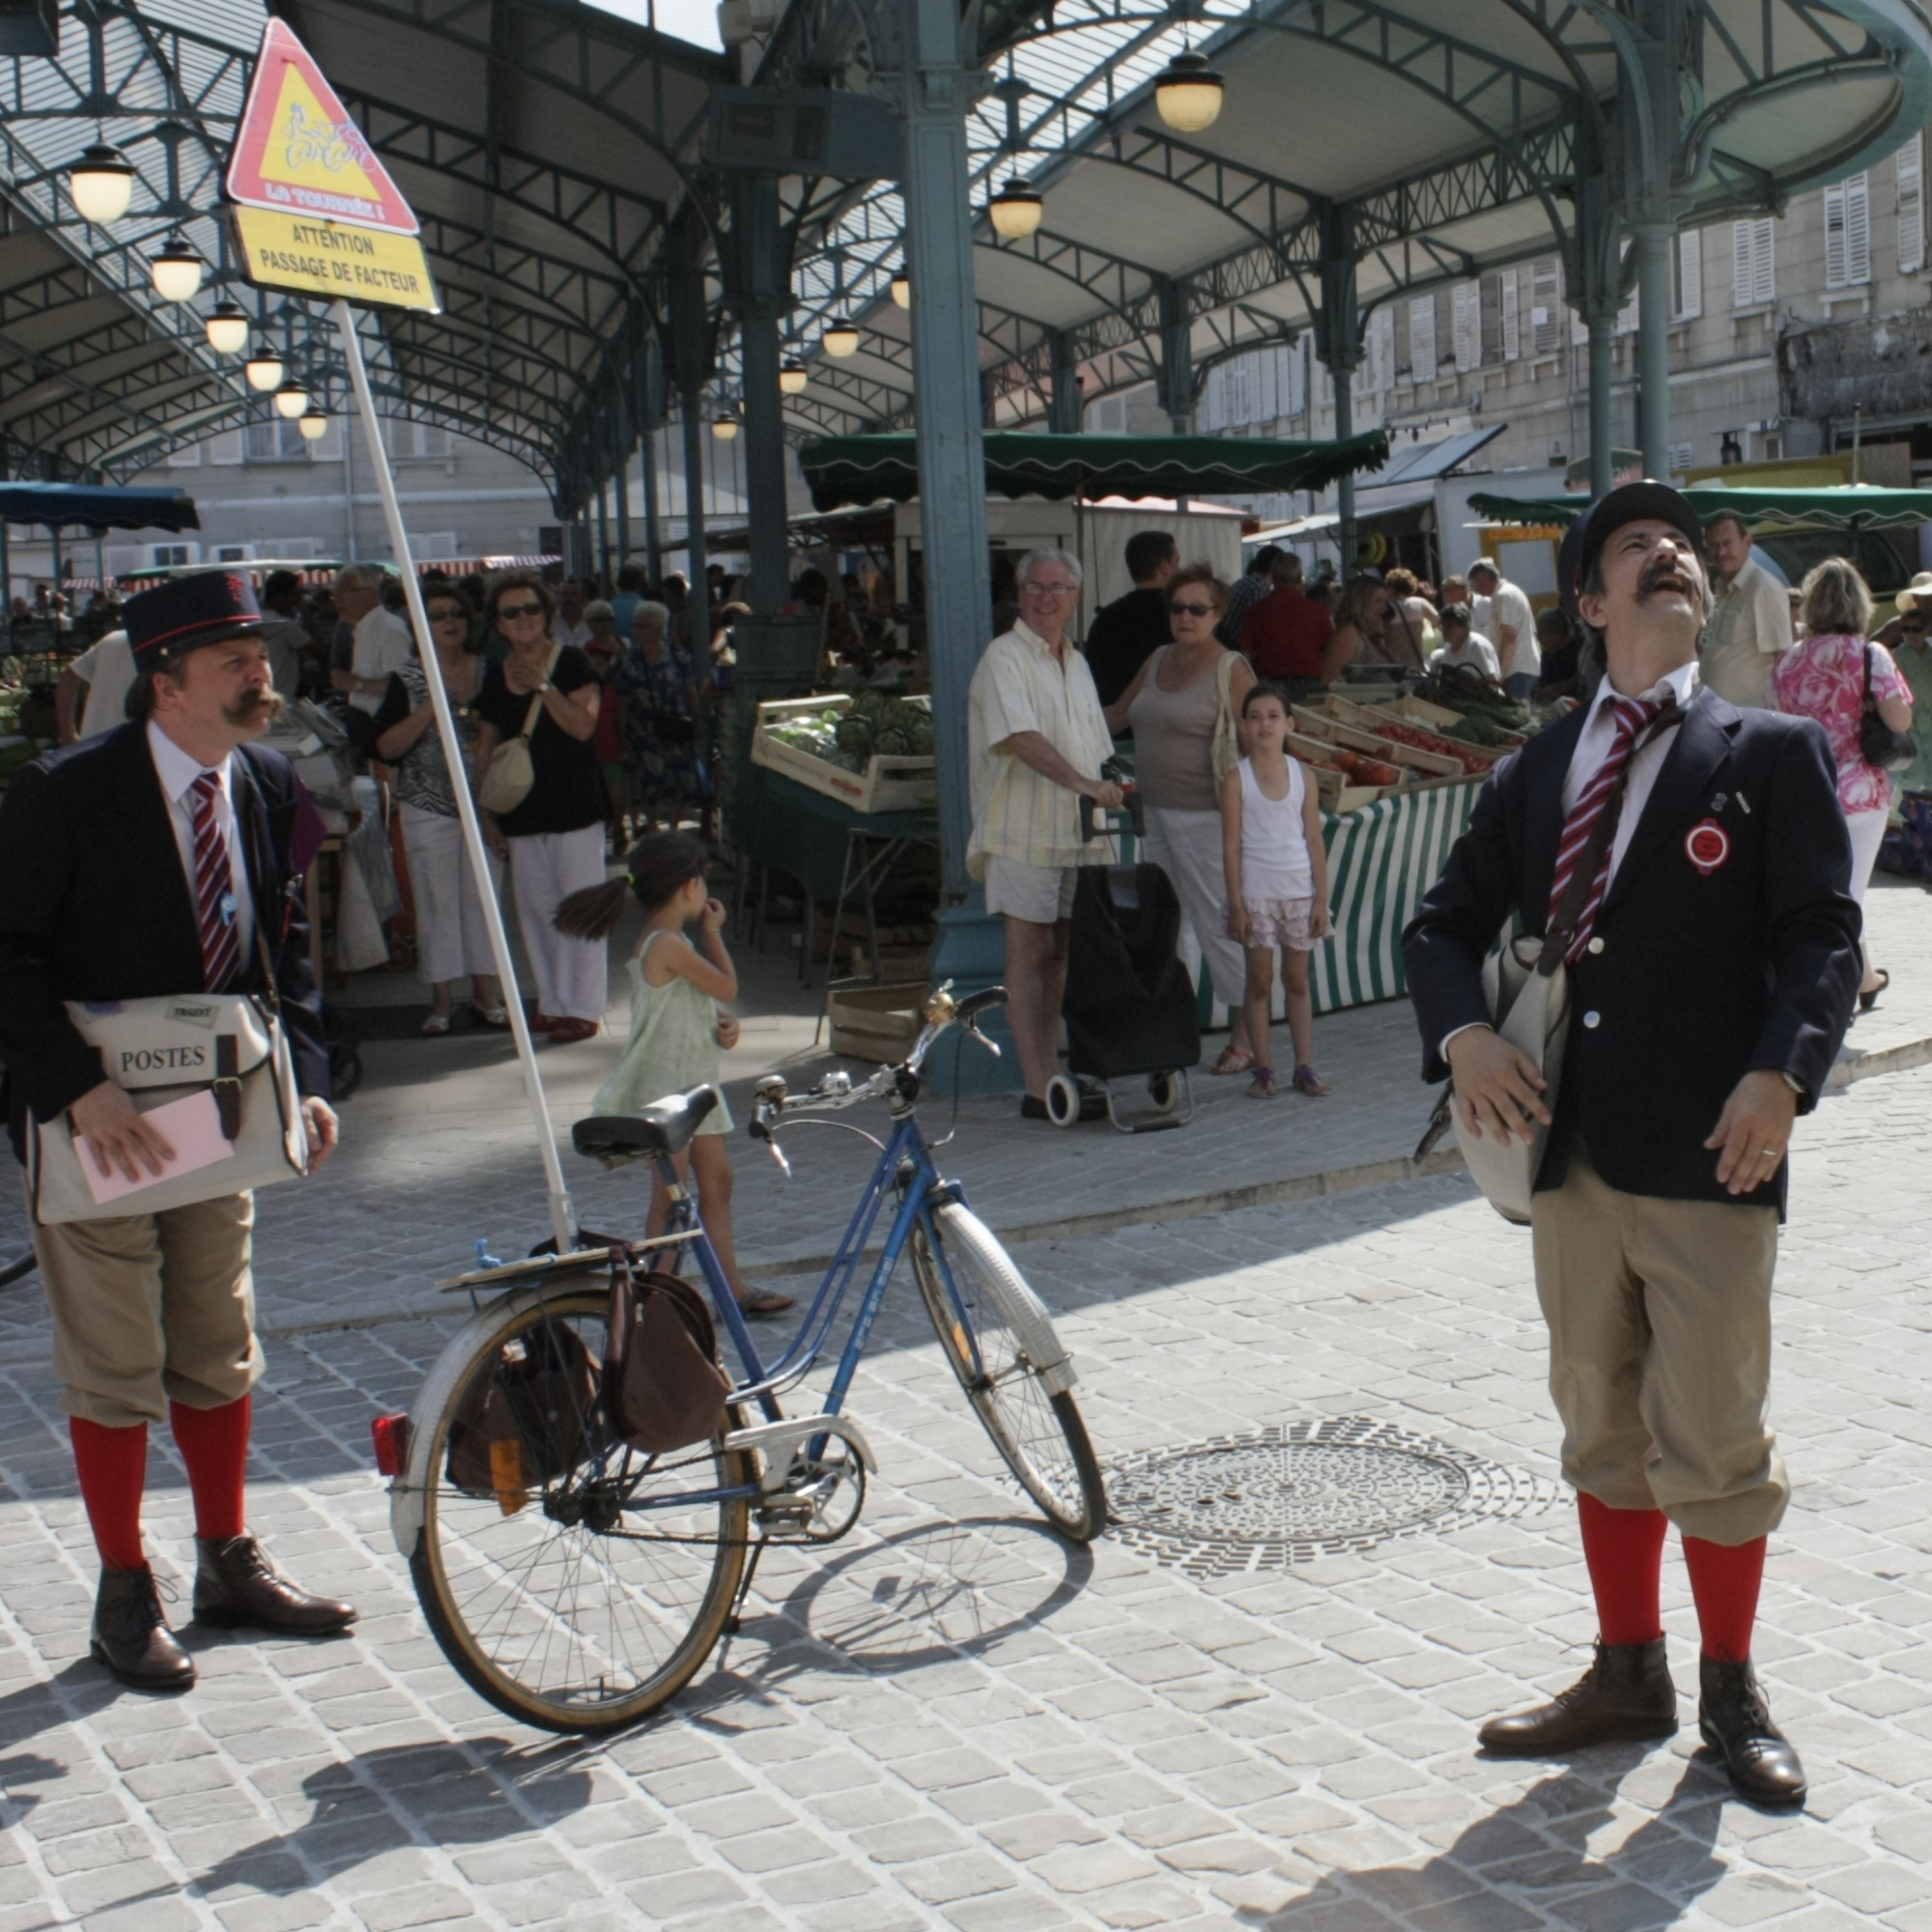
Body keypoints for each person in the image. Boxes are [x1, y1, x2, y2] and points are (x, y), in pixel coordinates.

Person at [1404, 479, 1862, 1807]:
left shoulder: (1768, 753)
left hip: (1717, 1153)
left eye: (1678, 544)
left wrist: (1784, 1074)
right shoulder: (1537, 764)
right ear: (1591, 605)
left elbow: (1823, 933)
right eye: (1631, 549)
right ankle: (1627, 1669)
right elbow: (1439, 926)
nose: (1667, 552)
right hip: (1571, 1155)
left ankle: (1731, 1691)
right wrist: (1463, 1041)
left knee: (1713, 1435)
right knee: (1599, 1423)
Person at [0, 571, 353, 1691]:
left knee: (216, 1336)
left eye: (264, 657)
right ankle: (122, 1589)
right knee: (115, 1362)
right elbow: (6, 952)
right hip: (101, 1123)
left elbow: (281, 950)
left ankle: (225, 1558)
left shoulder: (258, 779)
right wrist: (69, 1089)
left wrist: (300, 1076)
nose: (263, 678)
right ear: (166, 684)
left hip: (223, 1116)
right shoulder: (64, 793)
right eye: (236, 663)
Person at [555, 833, 792, 1318]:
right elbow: (726, 984)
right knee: (670, 1195)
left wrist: (720, 1027)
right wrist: (714, 934)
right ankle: (655, 1297)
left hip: (694, 1086)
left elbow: (689, 1007)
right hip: (672, 1093)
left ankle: (732, 1290)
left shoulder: (666, 941)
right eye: (702, 880)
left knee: (717, 1182)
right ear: (688, 888)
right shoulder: (668, 944)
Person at [967, 548, 1121, 1117]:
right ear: (1020, 593)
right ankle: (1037, 1083)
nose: (1047, 597)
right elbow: (1022, 738)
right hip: (1020, 828)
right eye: (1036, 586)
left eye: (1059, 588)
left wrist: (1105, 785)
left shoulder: (1075, 662)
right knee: (1028, 949)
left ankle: (1052, 1069)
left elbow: (1094, 741)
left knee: (1060, 948)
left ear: (1075, 598)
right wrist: (1084, 783)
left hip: (1075, 830)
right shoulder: (1003, 658)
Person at [1103, 564, 1258, 1074]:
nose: (1186, 617)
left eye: (1198, 608)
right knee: (1169, 929)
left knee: (1221, 923)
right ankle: (1175, 1030)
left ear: (1217, 615)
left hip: (1208, 817)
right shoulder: (1157, 659)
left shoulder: (1230, 668)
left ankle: (1246, 1037)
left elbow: (1258, 739)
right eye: (1177, 607)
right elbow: (1118, 715)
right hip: (1155, 814)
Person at [1770, 558, 1911, 1012]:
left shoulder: (1789, 659)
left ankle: (1866, 977)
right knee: (1848, 896)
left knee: (1838, 890)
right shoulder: (1870, 655)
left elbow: (1777, 720)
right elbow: (1900, 719)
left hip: (1805, 790)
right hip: (1859, 794)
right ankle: (1841, 988)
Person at [473, 571, 608, 1046]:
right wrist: (486, 812)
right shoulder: (495, 673)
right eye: (511, 612)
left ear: (546, 615)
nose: (523, 619)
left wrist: (545, 687)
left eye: (531, 609)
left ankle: (585, 1007)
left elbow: (582, 728)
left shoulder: (571, 662)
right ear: (498, 623)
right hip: (521, 811)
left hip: (574, 806)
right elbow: (487, 745)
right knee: (535, 910)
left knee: (581, 908)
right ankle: (552, 1002)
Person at [371, 583, 507, 1036]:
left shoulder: (491, 671)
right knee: (436, 904)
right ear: (421, 628)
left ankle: (486, 994)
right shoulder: (407, 678)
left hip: (487, 804)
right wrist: (432, 707)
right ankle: (442, 999)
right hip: (428, 804)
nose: (448, 623)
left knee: (484, 901)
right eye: (437, 616)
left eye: (455, 614)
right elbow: (385, 746)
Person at [1221, 682, 1333, 1100]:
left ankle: (1304, 1066)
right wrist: (1236, 904)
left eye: (1272, 716)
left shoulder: (1303, 775)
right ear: (1244, 727)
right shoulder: (1237, 779)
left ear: (1289, 723)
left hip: (1299, 894)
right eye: (1255, 717)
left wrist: (1321, 899)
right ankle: (1263, 1068)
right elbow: (1231, 844)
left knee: (1298, 981)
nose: (1264, 724)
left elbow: (1314, 840)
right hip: (1256, 896)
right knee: (1260, 981)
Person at [613, 599, 700, 832]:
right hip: (642, 731)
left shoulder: (678, 655)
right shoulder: (627, 660)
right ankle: (650, 826)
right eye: (635, 626)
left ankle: (673, 827)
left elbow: (692, 692)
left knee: (679, 781)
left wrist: (697, 724)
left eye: (644, 626)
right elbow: (622, 702)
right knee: (645, 783)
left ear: (659, 626)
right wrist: (622, 737)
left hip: (676, 729)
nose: (637, 631)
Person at [1700, 512, 1794, 707]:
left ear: (1748, 543)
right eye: (1714, 545)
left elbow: (1783, 659)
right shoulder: (1717, 588)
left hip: (1750, 717)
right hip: (1717, 714)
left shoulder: (1763, 588)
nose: (1721, 552)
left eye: (1727, 543)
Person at [1085, 530, 1179, 708]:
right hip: (1166, 721)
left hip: (1112, 726)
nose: (1180, 569)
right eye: (1176, 561)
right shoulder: (1181, 617)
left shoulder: (1105, 619)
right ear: (1164, 566)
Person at [1239, 551, 1335, 687]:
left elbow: (1245, 654)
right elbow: (1330, 648)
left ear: (1273, 577)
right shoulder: (1317, 612)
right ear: (1300, 578)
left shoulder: (1256, 611)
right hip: (1309, 684)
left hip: (1269, 685)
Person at [330, 565, 412, 718]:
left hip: (386, 729)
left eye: (345, 591)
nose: (338, 600)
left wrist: (356, 684)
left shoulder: (389, 629)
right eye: (335, 593)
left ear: (370, 593)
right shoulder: (360, 629)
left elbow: (405, 687)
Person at [1886, 577, 1932, 794]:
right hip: (1909, 723)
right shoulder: (1896, 655)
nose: (1911, 633)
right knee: (1911, 775)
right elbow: (1872, 646)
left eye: (1917, 629)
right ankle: (1900, 819)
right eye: (1906, 629)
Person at [1468, 558, 1537, 699]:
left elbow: (1510, 638)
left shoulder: (1503, 595)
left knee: (1518, 717)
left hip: (1516, 669)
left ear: (1483, 580)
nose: (1476, 590)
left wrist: (1499, 673)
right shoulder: (1508, 592)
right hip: (1521, 668)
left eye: (1476, 585)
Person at [55, 628, 136, 744]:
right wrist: (68, 735)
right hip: (135, 749)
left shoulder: (114, 639)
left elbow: (69, 677)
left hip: (91, 748)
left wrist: (67, 735)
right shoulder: (162, 647)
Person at [1321, 577, 1390, 684]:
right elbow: (1329, 681)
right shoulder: (1347, 634)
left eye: (1385, 601)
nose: (1384, 607)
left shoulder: (1360, 633)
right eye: (1378, 601)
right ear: (1360, 602)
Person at [1216, 545, 1281, 649]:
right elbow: (1255, 630)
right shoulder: (1258, 590)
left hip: (1222, 642)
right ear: (1276, 568)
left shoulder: (1245, 582)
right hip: (1232, 647)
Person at [257, 570, 309, 699]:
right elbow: (318, 647)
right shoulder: (285, 625)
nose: (295, 601)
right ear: (280, 597)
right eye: (294, 596)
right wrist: (304, 609)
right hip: (282, 697)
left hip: (260, 694)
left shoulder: (254, 620)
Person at [1429, 604, 1500, 679]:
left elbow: (1492, 680)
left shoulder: (1476, 645)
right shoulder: (1449, 646)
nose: (1444, 630)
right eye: (1443, 625)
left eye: (1449, 626)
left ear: (1465, 627)